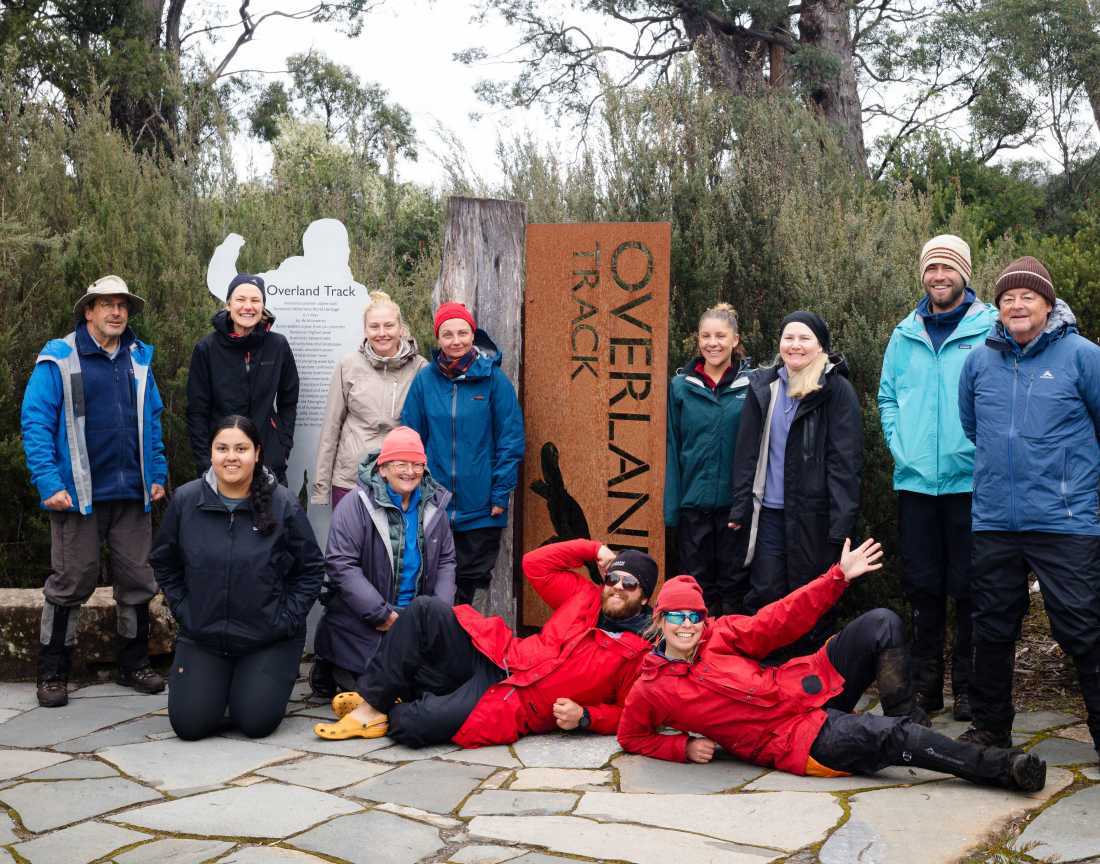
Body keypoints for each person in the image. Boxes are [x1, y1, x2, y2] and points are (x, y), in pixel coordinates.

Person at [617, 544, 1047, 794]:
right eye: (678, 617)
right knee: (896, 738)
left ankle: (907, 729)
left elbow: (780, 618)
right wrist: (683, 748)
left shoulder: (722, 633)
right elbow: (630, 736)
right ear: (660, 620)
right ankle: (999, 768)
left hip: (808, 686)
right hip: (796, 740)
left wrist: (836, 577)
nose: (688, 625)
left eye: (695, 616)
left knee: (882, 622)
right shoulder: (652, 687)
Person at [312, 539, 656, 748]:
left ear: (643, 599)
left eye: (631, 584)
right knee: (425, 610)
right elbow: (534, 565)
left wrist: (586, 717)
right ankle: (372, 705)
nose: (617, 587)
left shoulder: (636, 651)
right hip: (496, 657)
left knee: (411, 726)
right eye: (614, 578)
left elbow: (628, 714)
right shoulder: (585, 595)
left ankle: (388, 703)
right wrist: (592, 549)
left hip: (513, 700)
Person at [958, 256, 1100, 761]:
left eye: (1028, 297)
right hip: (995, 519)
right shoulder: (979, 361)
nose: (1017, 306)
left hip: (1065, 520)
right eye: (1008, 298)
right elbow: (974, 427)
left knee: (1082, 626)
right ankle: (990, 730)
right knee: (993, 627)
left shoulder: (1084, 356)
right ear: (997, 308)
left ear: (1048, 303)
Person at [21, 275, 168, 707]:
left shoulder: (139, 358)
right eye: (106, 304)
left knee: (138, 581)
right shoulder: (60, 357)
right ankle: (52, 672)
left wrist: (157, 471)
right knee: (71, 582)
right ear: (89, 311)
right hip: (77, 496)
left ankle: (133, 664)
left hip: (131, 493)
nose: (116, 312)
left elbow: (153, 420)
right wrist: (48, 482)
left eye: (122, 305)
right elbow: (35, 423)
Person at [878, 235, 997, 721]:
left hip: (972, 483)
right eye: (932, 269)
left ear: (964, 274)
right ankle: (927, 688)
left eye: (948, 268)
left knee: (969, 586)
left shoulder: (990, 328)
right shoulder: (903, 334)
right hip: (917, 484)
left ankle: (968, 689)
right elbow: (887, 397)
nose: (939, 277)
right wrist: (900, 445)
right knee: (922, 586)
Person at [150, 415, 323, 741]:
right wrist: (186, 610)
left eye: (241, 448)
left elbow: (311, 568)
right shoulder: (187, 501)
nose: (232, 457)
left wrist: (286, 618)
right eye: (223, 448)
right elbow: (164, 562)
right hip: (205, 636)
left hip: (266, 637)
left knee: (255, 722)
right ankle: (220, 688)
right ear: (211, 453)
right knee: (189, 726)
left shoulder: (282, 503)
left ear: (257, 453)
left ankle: (246, 688)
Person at [728, 311, 862, 658]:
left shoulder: (836, 390)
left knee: (811, 600)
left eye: (804, 338)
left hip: (813, 518)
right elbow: (746, 456)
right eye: (789, 337)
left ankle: (809, 680)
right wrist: (739, 506)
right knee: (766, 596)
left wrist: (840, 525)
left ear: (821, 346)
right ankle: (767, 678)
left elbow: (844, 463)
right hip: (768, 515)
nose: (795, 345)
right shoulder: (764, 387)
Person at [310, 426, 456, 697]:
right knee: (383, 682)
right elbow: (341, 563)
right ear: (383, 468)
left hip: (414, 616)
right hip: (367, 618)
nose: (410, 472)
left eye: (417, 464)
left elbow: (447, 560)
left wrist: (438, 612)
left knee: (428, 680)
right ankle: (333, 666)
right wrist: (381, 614)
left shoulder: (434, 506)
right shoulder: (356, 504)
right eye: (401, 464)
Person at [401, 302, 524, 606]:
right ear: (438, 338)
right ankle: (434, 647)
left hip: (481, 508)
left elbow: (511, 440)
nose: (456, 340)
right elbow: (410, 438)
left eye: (462, 332)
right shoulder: (425, 381)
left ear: (473, 333)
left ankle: (464, 648)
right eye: (447, 334)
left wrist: (499, 494)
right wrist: (415, 492)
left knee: (468, 592)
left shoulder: (494, 381)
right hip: (433, 505)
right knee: (430, 585)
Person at [665, 302, 752, 616]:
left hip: (735, 507)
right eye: (705, 336)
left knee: (733, 589)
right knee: (695, 588)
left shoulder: (752, 386)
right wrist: (673, 508)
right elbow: (672, 447)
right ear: (697, 340)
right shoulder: (679, 388)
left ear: (735, 340)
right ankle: (697, 654)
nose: (712, 343)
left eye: (720, 336)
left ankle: (728, 654)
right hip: (693, 507)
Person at [311, 291, 428, 510]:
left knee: (393, 545)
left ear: (400, 328)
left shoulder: (420, 369)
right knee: (348, 544)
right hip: (350, 479)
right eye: (374, 327)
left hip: (400, 481)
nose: (382, 333)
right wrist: (321, 488)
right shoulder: (348, 366)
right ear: (365, 330)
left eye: (389, 326)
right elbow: (331, 428)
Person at [186, 273, 299, 485]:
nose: (248, 306)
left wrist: (282, 446)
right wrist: (205, 461)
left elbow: (289, 400)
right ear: (228, 304)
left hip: (268, 460)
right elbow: (197, 410)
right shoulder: (207, 348)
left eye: (255, 300)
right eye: (240, 299)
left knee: (270, 518)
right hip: (222, 462)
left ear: (263, 306)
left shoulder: (278, 346)